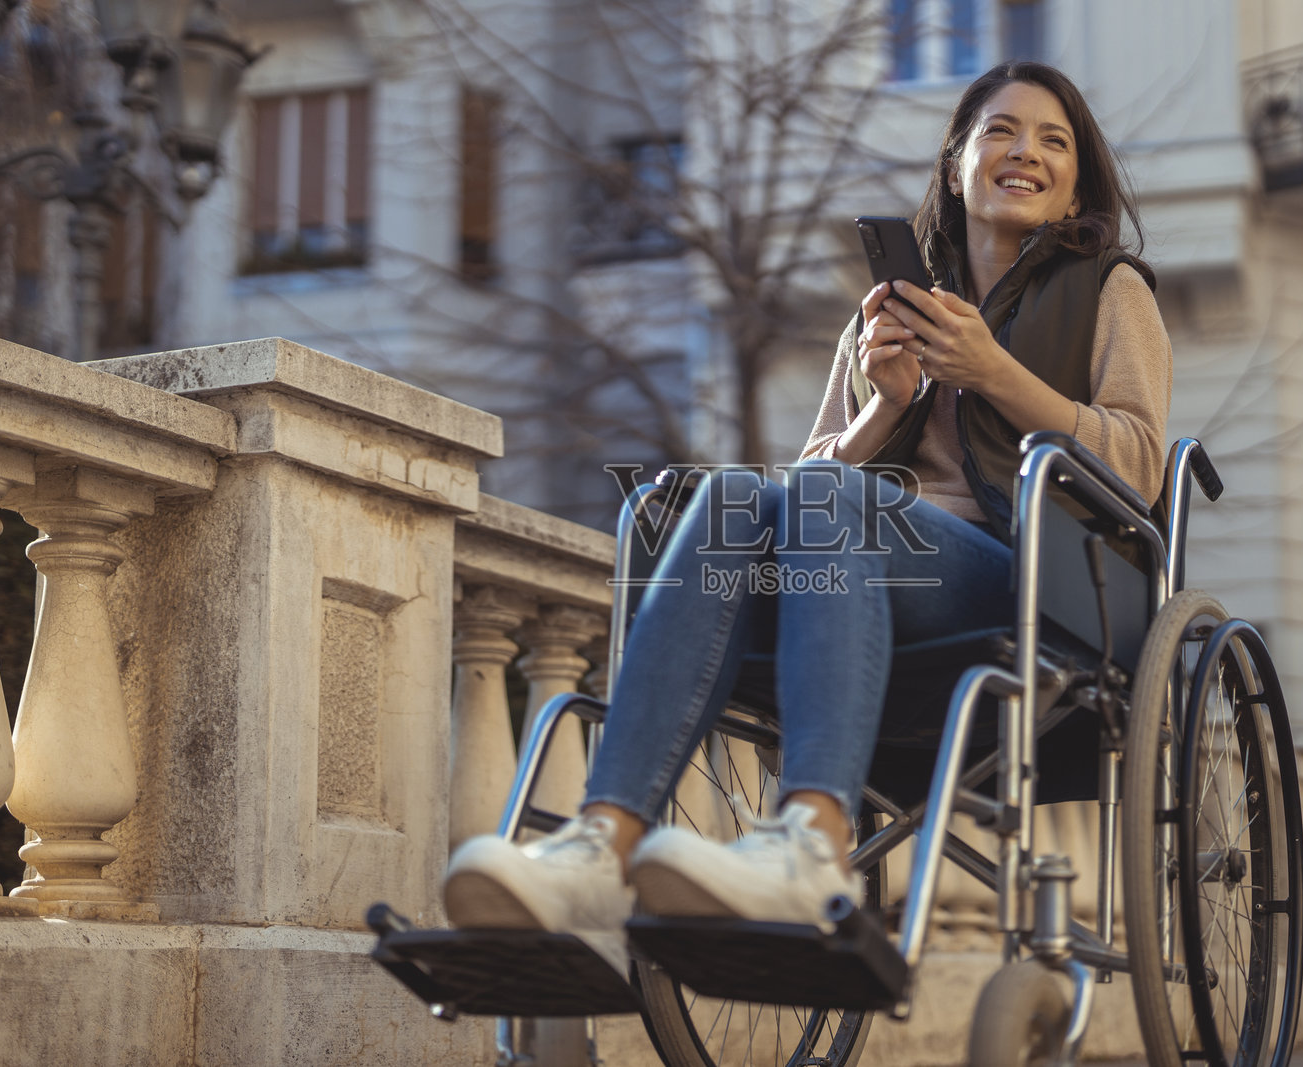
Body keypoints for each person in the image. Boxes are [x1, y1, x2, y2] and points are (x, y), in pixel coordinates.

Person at [443, 61, 1171, 974]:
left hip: (1027, 582)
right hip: (866, 581)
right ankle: (601, 842)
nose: (1024, 151)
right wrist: (884, 404)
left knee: (823, 502)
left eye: (1052, 140)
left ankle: (812, 839)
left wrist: (993, 372)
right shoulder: (887, 316)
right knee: (734, 495)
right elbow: (805, 489)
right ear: (956, 166)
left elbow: (1139, 463)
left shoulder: (1111, 290)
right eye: (1000, 131)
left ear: (1074, 187)